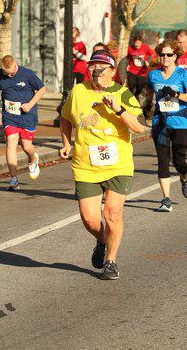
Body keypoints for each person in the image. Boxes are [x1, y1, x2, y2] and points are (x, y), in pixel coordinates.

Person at [59, 49, 146, 280]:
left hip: (118, 164)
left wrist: (118, 109)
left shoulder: (123, 93)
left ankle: (111, 261)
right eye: (92, 66)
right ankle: (102, 240)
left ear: (112, 71)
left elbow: (139, 127)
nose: (95, 70)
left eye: (101, 67)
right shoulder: (78, 91)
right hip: (86, 165)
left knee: (112, 213)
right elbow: (65, 118)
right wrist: (66, 143)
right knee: (89, 218)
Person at [145, 40, 187, 212]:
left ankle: (185, 177)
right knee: (163, 161)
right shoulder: (153, 75)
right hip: (160, 123)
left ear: (175, 56)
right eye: (162, 54)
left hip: (180, 123)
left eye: (169, 54)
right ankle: (166, 199)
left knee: (179, 160)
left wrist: (176, 94)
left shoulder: (183, 74)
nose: (165, 57)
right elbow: (148, 94)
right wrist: (145, 107)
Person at [0, 55, 46, 190]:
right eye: (6, 74)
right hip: (10, 116)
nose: (9, 76)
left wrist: (30, 104)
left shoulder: (27, 74)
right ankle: (13, 180)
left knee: (26, 146)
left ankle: (33, 159)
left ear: (15, 64)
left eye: (11, 73)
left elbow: (42, 89)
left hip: (28, 116)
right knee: (11, 142)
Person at [126, 34, 154, 103]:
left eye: (139, 43)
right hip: (132, 70)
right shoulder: (130, 48)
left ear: (141, 42)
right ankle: (132, 101)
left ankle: (136, 95)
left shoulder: (145, 47)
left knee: (140, 88)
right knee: (131, 87)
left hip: (142, 72)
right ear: (133, 42)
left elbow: (151, 54)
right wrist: (127, 64)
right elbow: (127, 57)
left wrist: (148, 61)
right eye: (136, 43)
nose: (137, 45)